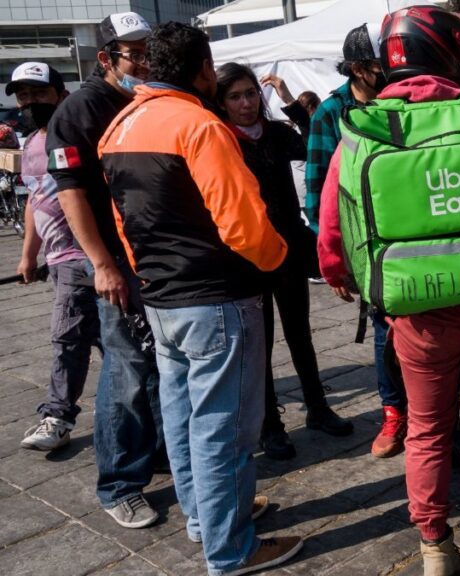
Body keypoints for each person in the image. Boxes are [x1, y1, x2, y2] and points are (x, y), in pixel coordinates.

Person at [318, 7, 460, 573]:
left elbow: (333, 231)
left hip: (422, 312)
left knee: (428, 431)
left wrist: (344, 278)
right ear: (452, 56)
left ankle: (436, 545)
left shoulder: (363, 133)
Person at [99, 22, 301, 576]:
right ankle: (231, 547)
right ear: (204, 69)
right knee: (224, 429)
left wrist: (147, 275)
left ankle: (206, 519)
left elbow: (122, 220)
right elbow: (243, 224)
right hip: (215, 297)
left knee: (185, 417)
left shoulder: (119, 125)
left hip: (160, 297)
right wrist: (279, 259)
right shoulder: (200, 125)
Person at [46, 11, 165, 529]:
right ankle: (119, 483)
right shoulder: (80, 110)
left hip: (158, 257)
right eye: (133, 53)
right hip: (116, 262)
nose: (143, 61)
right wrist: (101, 264)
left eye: (147, 51)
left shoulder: (146, 99)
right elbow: (69, 193)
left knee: (160, 366)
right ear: (105, 57)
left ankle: (159, 453)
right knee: (127, 369)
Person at [216, 63, 354, 461]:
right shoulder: (222, 140)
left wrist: (290, 102)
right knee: (259, 342)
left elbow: (313, 144)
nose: (246, 103)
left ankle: (318, 408)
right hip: (248, 253)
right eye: (236, 96)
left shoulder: (275, 132)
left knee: (300, 333)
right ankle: (269, 425)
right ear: (222, 103)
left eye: (251, 94)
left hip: (289, 245)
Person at [306, 23, 406, 459]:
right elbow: (317, 196)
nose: (387, 73)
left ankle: (426, 412)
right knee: (384, 330)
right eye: (380, 66)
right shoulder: (331, 112)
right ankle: (393, 412)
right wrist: (337, 259)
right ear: (361, 69)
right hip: (363, 243)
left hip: (406, 233)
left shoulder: (400, 103)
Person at [11, 62, 96, 452]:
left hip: (92, 253)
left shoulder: (79, 133)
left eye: (38, 94)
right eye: (24, 96)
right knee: (74, 338)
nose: (30, 102)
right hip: (61, 260)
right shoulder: (29, 145)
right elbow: (34, 199)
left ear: (61, 95)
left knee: (83, 338)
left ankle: (60, 415)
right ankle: (59, 415)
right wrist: (29, 254)